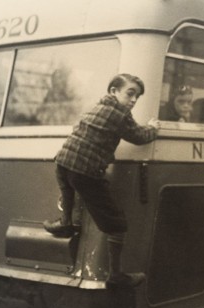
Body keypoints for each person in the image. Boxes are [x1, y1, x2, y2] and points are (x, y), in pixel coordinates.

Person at [43, 73, 160, 287]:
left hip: (62, 161)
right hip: (85, 171)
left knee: (68, 190)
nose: (133, 100)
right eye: (130, 94)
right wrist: (153, 127)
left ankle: (66, 223)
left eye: (137, 97)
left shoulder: (96, 107)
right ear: (113, 91)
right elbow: (139, 137)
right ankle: (115, 276)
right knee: (116, 224)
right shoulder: (120, 114)